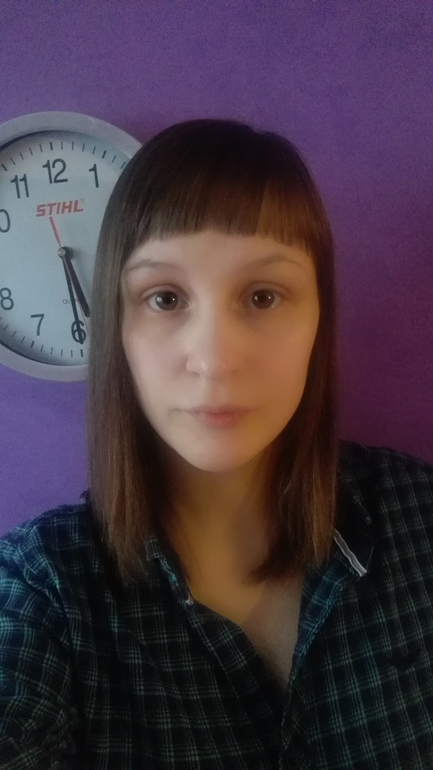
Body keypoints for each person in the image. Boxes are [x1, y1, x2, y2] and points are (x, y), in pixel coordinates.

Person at [0, 119, 432, 770]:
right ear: (118, 328)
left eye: (263, 295)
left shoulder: (418, 518)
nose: (214, 359)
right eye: (164, 298)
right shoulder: (43, 591)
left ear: (318, 319)